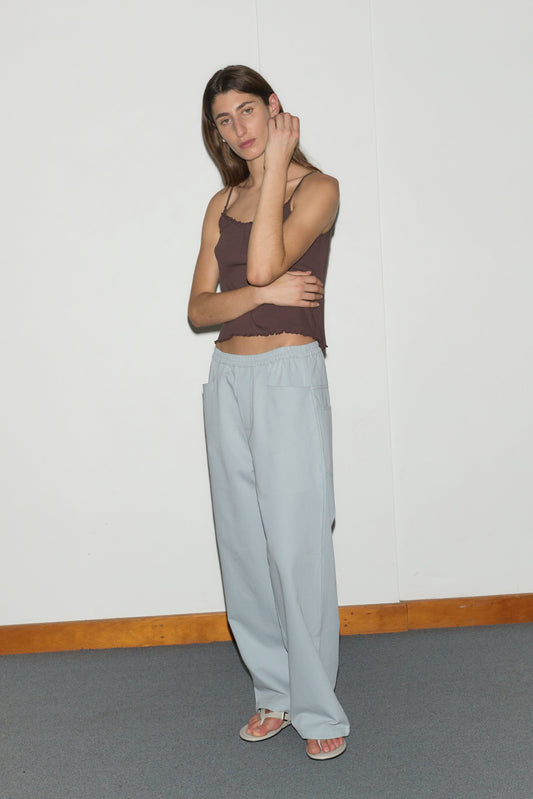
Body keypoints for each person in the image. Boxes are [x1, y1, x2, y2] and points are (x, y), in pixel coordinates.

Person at [188, 65, 349, 761]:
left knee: (295, 545)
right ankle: (274, 693)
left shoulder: (317, 189)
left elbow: (254, 272)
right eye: (224, 121)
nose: (238, 130)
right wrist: (260, 295)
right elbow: (200, 311)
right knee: (245, 549)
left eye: (247, 111)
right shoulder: (221, 203)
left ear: (274, 108)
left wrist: (280, 160)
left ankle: (317, 706)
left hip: (287, 375)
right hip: (228, 377)